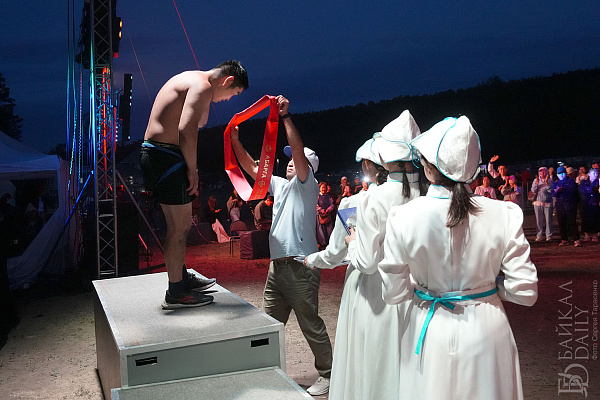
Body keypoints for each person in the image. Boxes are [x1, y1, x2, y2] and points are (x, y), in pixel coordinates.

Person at [379, 116, 538, 400]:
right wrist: (487, 288)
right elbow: (525, 292)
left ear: (429, 168)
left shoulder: (403, 216)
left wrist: (420, 284)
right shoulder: (504, 213)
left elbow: (394, 293)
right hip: (488, 330)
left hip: (429, 329)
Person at [230, 95, 333, 396]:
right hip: (277, 269)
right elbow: (252, 167)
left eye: (296, 159)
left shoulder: (307, 184)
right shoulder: (279, 185)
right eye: (288, 157)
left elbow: (297, 150)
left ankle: (329, 373)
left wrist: (285, 117)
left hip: (300, 266)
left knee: (310, 324)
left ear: (308, 167)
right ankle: (265, 370)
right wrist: (234, 140)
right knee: (269, 324)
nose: (290, 159)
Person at [140, 60, 248, 309]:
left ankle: (181, 277)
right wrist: (192, 170)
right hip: (164, 155)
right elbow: (187, 130)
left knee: (182, 225)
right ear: (228, 80)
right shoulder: (201, 86)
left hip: (161, 154)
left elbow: (197, 122)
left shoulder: (194, 79)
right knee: (178, 228)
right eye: (233, 93)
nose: (228, 99)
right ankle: (176, 291)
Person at [334, 110, 422, 400]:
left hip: (378, 295)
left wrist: (352, 242)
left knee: (376, 370)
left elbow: (367, 262)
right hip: (418, 297)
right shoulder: (426, 193)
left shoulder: (375, 197)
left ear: (386, 158)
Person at [304, 135, 386, 400]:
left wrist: (311, 260)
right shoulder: (414, 198)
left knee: (361, 352)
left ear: (367, 166)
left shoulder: (354, 204)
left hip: (366, 284)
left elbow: (334, 253)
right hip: (403, 286)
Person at [554, 166, 581, 246]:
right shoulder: (557, 182)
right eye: (559, 174)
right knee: (561, 222)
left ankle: (576, 239)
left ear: (566, 173)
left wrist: (563, 189)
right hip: (560, 205)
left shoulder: (571, 181)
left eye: (562, 173)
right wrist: (556, 191)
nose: (561, 175)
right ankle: (564, 239)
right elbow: (553, 193)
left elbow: (573, 191)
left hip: (570, 204)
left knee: (571, 222)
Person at [531, 167, 554, 241]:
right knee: (539, 220)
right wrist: (537, 183)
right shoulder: (536, 180)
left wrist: (547, 183)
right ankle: (539, 235)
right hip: (537, 203)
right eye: (540, 172)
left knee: (548, 220)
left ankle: (549, 235)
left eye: (543, 171)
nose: (542, 173)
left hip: (547, 203)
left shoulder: (550, 180)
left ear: (546, 172)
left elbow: (550, 191)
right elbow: (533, 190)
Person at [579, 168, 600, 242]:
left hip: (595, 202)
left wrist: (590, 190)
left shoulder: (598, 182)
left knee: (596, 219)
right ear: (589, 174)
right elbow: (582, 190)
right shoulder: (584, 182)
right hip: (585, 202)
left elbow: (597, 191)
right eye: (593, 173)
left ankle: (595, 235)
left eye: (596, 173)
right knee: (585, 219)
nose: (595, 175)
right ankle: (586, 234)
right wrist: (591, 190)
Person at [316, 182, 335, 250]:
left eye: (325, 187)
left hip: (327, 215)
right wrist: (322, 210)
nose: (324, 189)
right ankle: (322, 245)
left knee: (329, 230)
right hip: (320, 216)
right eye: (323, 187)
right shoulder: (317, 196)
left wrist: (328, 210)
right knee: (321, 231)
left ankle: (329, 244)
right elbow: (316, 205)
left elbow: (332, 205)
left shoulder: (328, 196)